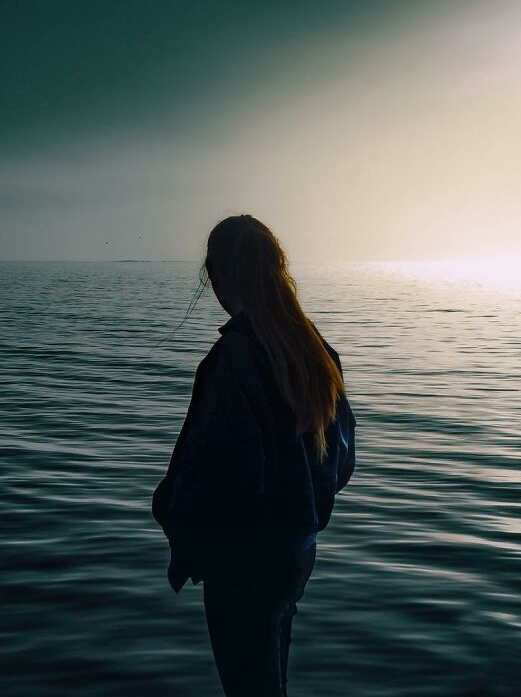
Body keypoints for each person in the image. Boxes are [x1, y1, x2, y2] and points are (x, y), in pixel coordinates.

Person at [151, 214, 357, 697]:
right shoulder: (316, 351)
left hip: (245, 565)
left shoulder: (234, 360)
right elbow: (341, 466)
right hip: (297, 553)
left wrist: (170, 508)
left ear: (218, 277)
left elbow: (220, 473)